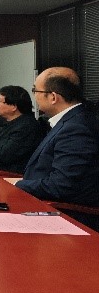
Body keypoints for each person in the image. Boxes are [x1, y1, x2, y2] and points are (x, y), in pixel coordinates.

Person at [14, 67, 99, 208]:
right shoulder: (73, 119)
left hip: (61, 210)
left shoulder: (76, 128)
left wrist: (18, 184)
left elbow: (61, 186)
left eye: (35, 90)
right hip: (39, 198)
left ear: (53, 97)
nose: (34, 96)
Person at [0, 86, 42, 174]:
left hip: (7, 175)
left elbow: (4, 155)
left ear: (13, 106)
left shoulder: (26, 126)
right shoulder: (10, 122)